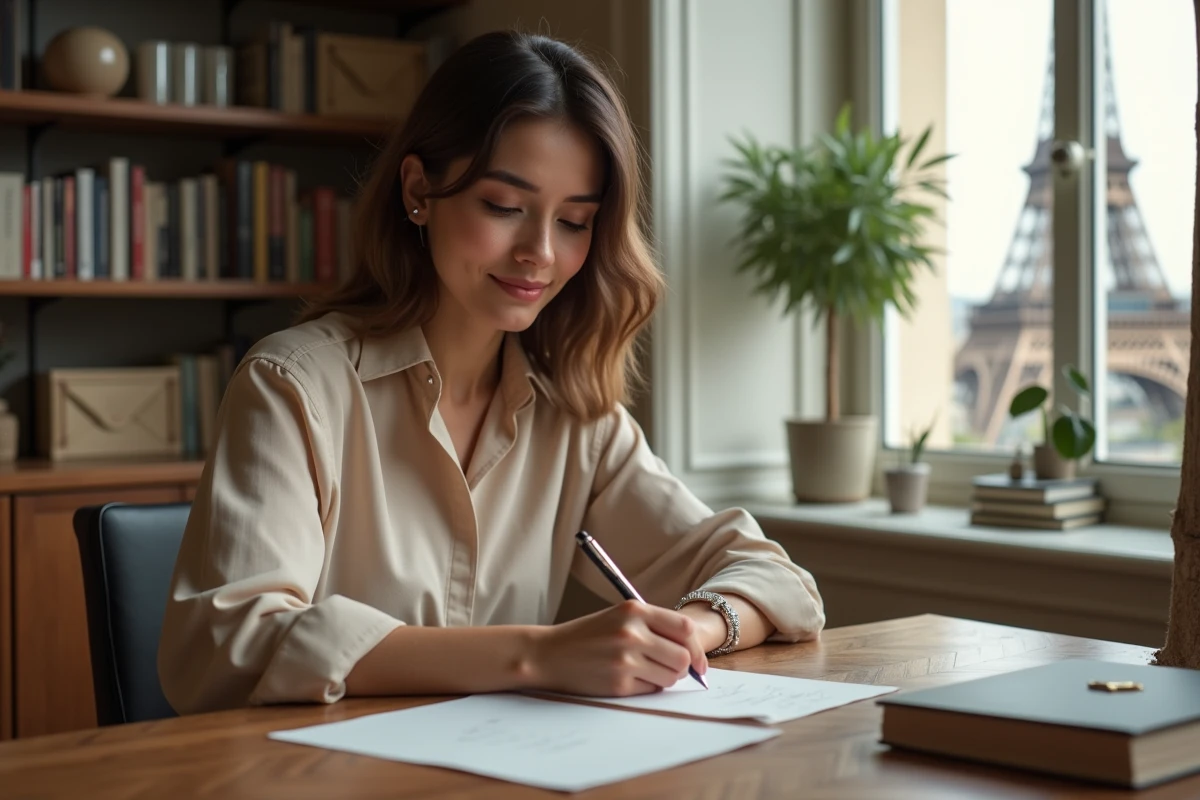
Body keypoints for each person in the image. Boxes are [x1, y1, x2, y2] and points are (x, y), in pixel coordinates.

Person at [157, 29, 825, 715]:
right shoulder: (294, 386)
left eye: (574, 221)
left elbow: (777, 580)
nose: (540, 252)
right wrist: (538, 655)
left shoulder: (576, 417)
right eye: (505, 207)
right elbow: (227, 645)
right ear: (419, 190)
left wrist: (687, 633)